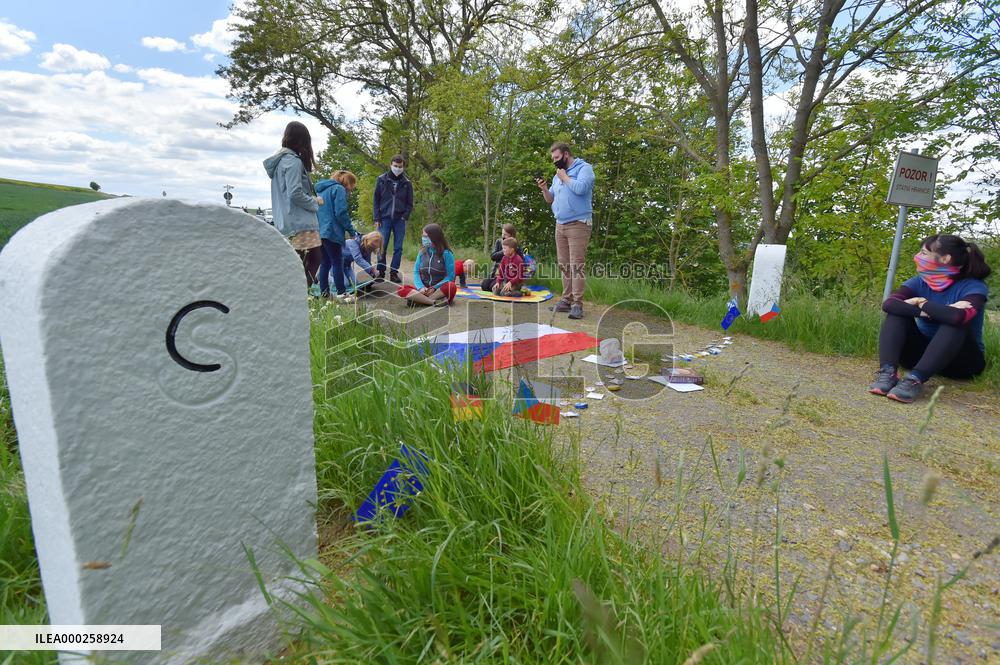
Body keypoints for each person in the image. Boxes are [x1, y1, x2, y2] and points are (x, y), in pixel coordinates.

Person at [870, 234, 991, 403]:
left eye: (924, 253)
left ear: (945, 258)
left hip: (962, 363)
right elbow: (889, 304)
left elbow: (957, 317)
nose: (918, 257)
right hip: (922, 355)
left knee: (955, 323)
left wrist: (921, 303)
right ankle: (887, 373)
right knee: (898, 314)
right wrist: (928, 311)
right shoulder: (920, 282)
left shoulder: (974, 286)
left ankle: (914, 380)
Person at [535, 141, 595, 319]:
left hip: (579, 223)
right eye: (553, 158)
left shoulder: (584, 168)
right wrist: (545, 188)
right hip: (560, 224)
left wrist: (565, 178)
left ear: (566, 154)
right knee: (564, 264)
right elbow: (550, 199)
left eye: (557, 157)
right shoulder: (557, 176)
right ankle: (566, 300)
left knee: (576, 264)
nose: (554, 161)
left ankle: (577, 304)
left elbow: (582, 188)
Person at [264, 121, 324, 287]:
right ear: (302, 140)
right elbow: (295, 193)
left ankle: (296, 297)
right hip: (300, 222)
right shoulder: (293, 162)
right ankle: (300, 298)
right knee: (313, 259)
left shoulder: (280, 162)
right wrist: (315, 201)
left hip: (286, 221)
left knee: (296, 264)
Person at [315, 170, 358, 300]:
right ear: (347, 182)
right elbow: (341, 213)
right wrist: (351, 231)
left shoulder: (321, 190)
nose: (351, 189)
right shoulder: (339, 189)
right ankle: (341, 293)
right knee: (337, 262)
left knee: (325, 263)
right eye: (352, 185)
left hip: (320, 231)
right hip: (332, 232)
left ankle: (325, 293)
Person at [374, 154, 414, 284]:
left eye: (400, 166)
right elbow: (376, 200)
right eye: (395, 166)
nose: (397, 168)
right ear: (391, 165)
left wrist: (405, 216)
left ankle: (394, 272)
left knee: (398, 248)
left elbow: (410, 202)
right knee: (382, 246)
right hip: (384, 218)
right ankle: (380, 271)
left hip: (399, 220)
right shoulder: (381, 180)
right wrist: (376, 217)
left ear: (403, 167)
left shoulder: (407, 183)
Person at [398, 224, 457, 306]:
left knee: (451, 286)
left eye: (425, 236)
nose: (423, 238)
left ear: (434, 237)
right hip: (423, 290)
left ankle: (420, 300)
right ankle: (432, 302)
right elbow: (416, 272)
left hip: (439, 290)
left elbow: (451, 276)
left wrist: (434, 288)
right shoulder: (422, 252)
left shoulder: (447, 254)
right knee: (402, 289)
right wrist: (420, 287)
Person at [343, 231, 397, 297]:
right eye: (371, 247)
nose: (371, 250)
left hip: (346, 267)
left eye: (373, 248)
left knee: (355, 284)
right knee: (345, 284)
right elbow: (358, 259)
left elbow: (367, 263)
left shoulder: (367, 248)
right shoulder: (352, 242)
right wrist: (373, 269)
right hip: (335, 265)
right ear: (367, 241)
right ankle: (330, 277)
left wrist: (374, 275)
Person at [481, 223, 523, 292]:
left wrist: (509, 250)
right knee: (484, 285)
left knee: (493, 287)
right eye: (502, 233)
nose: (503, 236)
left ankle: (510, 289)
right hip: (496, 272)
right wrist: (504, 251)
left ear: (511, 235)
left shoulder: (515, 247)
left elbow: (521, 267)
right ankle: (499, 284)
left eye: (505, 234)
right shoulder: (499, 242)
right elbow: (493, 257)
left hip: (510, 276)